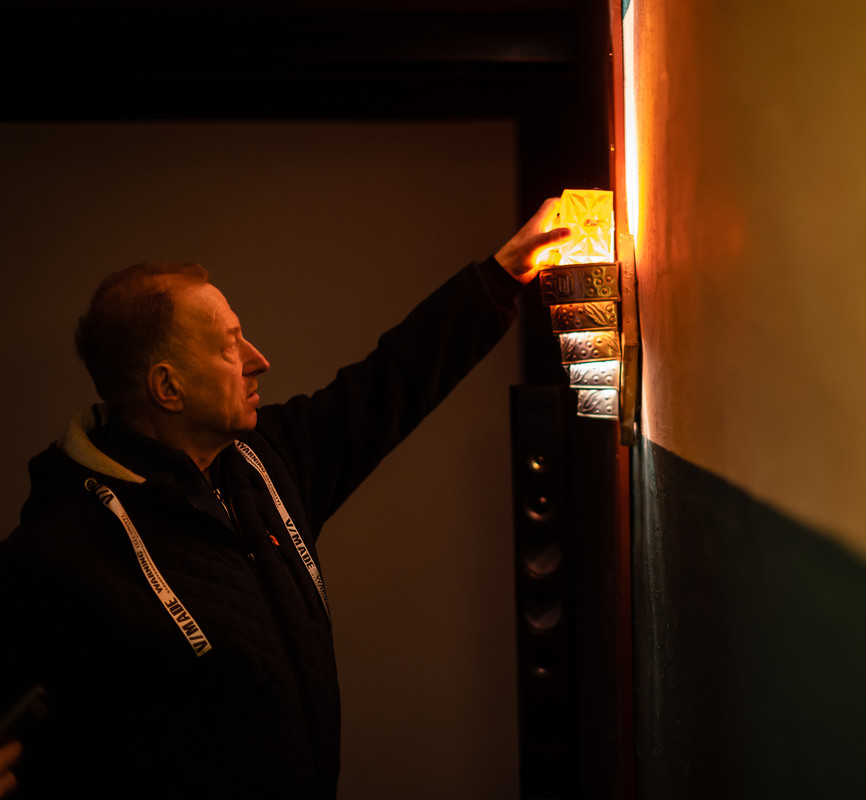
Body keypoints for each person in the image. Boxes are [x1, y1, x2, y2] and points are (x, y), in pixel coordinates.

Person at [0, 199, 569, 799]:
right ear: (168, 386)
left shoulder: (264, 462)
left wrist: (502, 275)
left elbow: (392, 381)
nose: (259, 361)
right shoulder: (59, 555)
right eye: (230, 346)